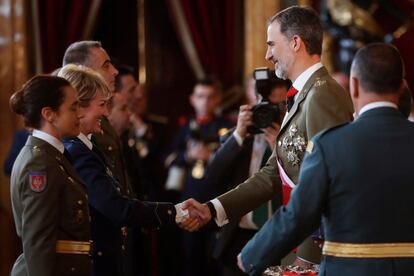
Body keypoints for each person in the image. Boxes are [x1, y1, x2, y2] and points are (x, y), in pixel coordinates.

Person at [180, 5, 354, 268]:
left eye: (272, 44)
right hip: (293, 248)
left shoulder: (323, 95)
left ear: (295, 43)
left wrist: (307, 257)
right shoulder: (302, 97)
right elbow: (274, 172)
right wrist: (213, 208)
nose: (267, 54)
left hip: (310, 255)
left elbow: (326, 183)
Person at [240, 42, 414, 276]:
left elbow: (298, 215)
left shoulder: (329, 145)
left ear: (354, 86)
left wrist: (252, 254)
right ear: (402, 87)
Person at [58, 65, 187, 276]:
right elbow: (115, 207)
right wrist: (175, 212)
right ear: (79, 108)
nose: (106, 113)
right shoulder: (78, 151)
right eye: (102, 105)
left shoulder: (87, 148)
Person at [207, 73, 290, 276]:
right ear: (249, 97)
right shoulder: (238, 137)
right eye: (263, 102)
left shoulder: (293, 139)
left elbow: (298, 184)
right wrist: (238, 135)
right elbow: (213, 176)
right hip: (239, 237)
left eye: (277, 106)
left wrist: (279, 148)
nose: (268, 110)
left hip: (279, 237)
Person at [9, 75, 91, 276]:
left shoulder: (52, 156)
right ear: (49, 114)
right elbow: (38, 241)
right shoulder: (40, 163)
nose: (80, 114)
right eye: (73, 107)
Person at [165, 76, 233, 276]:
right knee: (190, 260)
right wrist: (188, 156)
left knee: (215, 261)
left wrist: (211, 156)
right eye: (200, 96)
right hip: (187, 203)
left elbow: (234, 161)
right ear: (192, 99)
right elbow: (166, 160)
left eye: (210, 97)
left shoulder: (227, 127)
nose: (205, 102)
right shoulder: (185, 127)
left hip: (217, 202)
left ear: (219, 99)